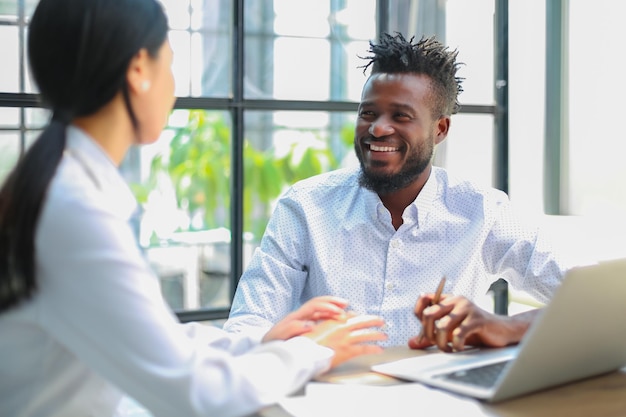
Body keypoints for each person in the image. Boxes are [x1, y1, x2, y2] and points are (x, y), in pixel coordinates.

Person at [0, 1, 387, 416]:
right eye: (167, 64)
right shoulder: (74, 212)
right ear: (137, 71)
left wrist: (263, 341)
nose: (173, 88)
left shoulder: (61, 186)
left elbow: (149, 335)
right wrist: (311, 353)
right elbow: (199, 394)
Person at [224, 33, 568, 352]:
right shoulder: (306, 206)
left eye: (400, 116)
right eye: (368, 114)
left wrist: (508, 327)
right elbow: (245, 328)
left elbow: (596, 302)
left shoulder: (484, 211)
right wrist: (292, 343)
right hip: (331, 396)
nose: (377, 128)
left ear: (440, 129)